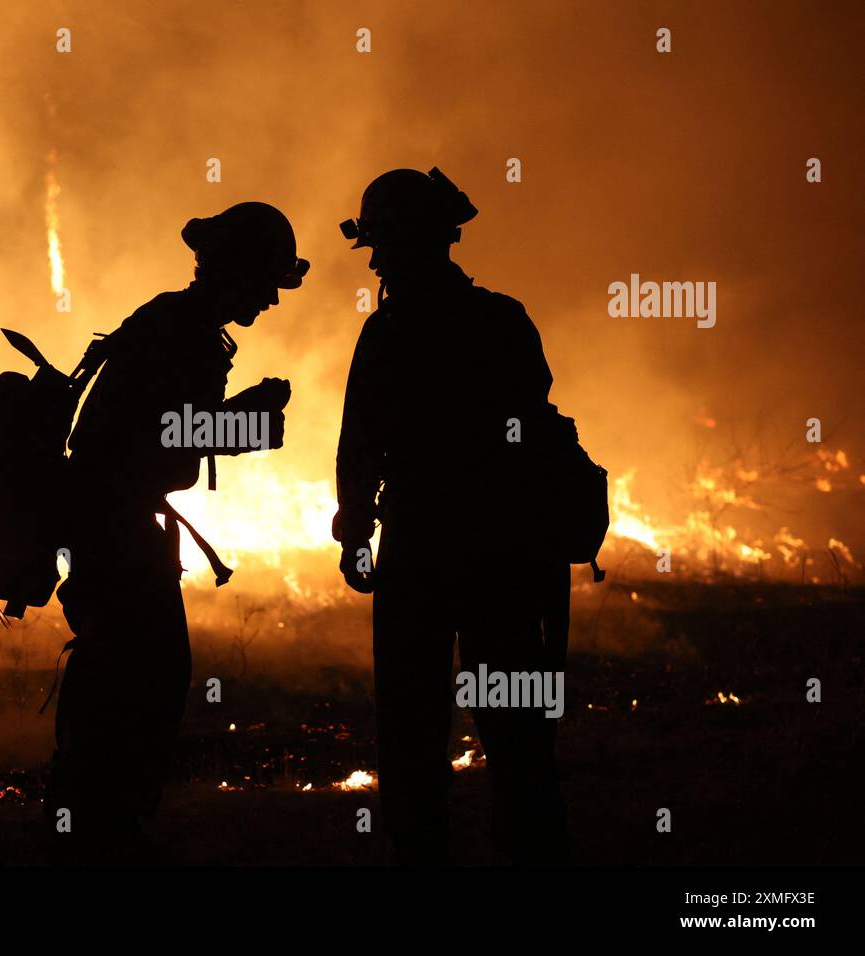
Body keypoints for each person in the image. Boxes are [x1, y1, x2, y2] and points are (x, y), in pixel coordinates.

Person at [47, 201, 307, 863]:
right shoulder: (181, 331)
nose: (273, 299)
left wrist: (237, 422)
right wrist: (246, 423)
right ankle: (98, 828)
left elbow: (164, 434)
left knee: (136, 671)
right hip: (114, 525)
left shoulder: (177, 324)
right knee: (140, 674)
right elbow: (163, 439)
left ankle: (96, 823)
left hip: (116, 521)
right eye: (267, 283)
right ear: (236, 272)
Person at [333, 167, 570, 864]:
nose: (374, 262)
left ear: (410, 244)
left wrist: (357, 537)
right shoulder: (503, 321)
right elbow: (536, 420)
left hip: (422, 554)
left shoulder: (388, 334)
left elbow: (360, 449)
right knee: (518, 731)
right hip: (507, 556)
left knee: (412, 730)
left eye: (380, 245)